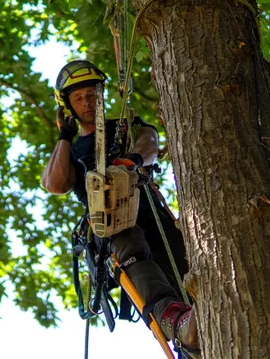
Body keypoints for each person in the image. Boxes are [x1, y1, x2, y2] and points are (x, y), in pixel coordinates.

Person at [41, 60, 199, 353]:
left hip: (152, 214)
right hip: (111, 227)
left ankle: (199, 324)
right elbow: (55, 183)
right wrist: (64, 134)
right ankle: (172, 319)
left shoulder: (123, 127)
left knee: (185, 265)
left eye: (91, 95)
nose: (87, 102)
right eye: (78, 98)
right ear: (68, 107)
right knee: (129, 245)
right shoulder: (72, 151)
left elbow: (150, 141)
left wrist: (134, 160)